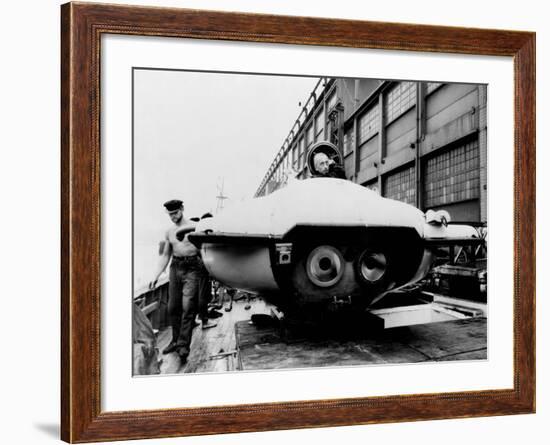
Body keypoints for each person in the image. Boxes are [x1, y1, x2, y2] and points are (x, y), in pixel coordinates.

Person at [148, 199, 201, 363]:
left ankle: (183, 345)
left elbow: (204, 250)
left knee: (188, 306)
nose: (173, 217)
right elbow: (165, 255)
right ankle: (175, 340)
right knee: (172, 308)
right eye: (170, 214)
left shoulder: (195, 227)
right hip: (175, 267)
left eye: (175, 213)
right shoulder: (169, 232)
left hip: (192, 267)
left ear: (182, 209)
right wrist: (155, 276)